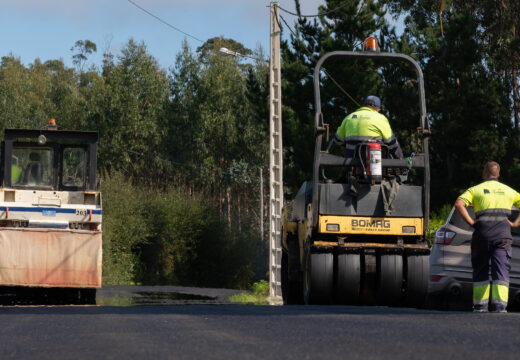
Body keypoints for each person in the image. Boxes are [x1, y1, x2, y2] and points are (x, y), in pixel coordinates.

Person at [455, 161, 520, 312]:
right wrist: (515, 224)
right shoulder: (508, 190)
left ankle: (480, 306)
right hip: (503, 236)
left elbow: (459, 204)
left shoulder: (475, 189)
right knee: (501, 271)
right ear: (498, 175)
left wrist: (471, 222)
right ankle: (499, 307)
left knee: (480, 270)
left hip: (482, 235)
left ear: (484, 174)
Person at [334, 95, 403, 159]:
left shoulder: (348, 117)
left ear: (363, 105)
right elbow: (391, 142)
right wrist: (400, 159)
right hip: (376, 166)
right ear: (378, 109)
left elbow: (338, 140)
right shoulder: (381, 118)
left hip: (351, 166)